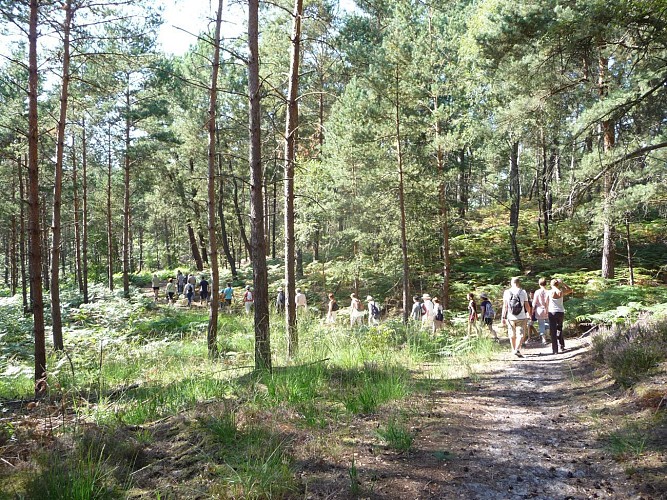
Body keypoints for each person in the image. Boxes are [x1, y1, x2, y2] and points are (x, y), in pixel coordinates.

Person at [501, 277, 532, 357]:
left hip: (510, 317)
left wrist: (503, 317)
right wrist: (530, 314)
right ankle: (517, 349)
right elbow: (527, 305)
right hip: (521, 316)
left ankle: (513, 350)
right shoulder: (523, 292)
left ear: (511, 283)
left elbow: (505, 306)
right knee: (521, 334)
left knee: (512, 334)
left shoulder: (507, 292)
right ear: (519, 283)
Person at [548, 278, 573, 354]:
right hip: (560, 312)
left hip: (552, 312)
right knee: (559, 329)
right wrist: (563, 283)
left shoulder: (549, 292)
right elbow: (570, 290)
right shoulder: (561, 292)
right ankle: (561, 345)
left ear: (551, 285)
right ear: (558, 284)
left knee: (553, 331)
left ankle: (555, 350)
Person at [532, 278, 550, 346]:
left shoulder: (537, 292)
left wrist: (532, 310)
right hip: (548, 309)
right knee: (548, 322)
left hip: (539, 310)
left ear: (539, 284)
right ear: (546, 283)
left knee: (541, 324)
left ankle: (544, 339)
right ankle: (548, 335)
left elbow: (534, 302)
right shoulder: (548, 291)